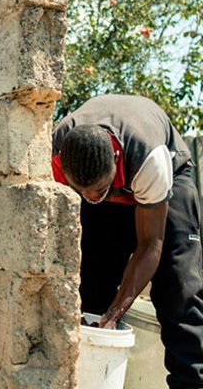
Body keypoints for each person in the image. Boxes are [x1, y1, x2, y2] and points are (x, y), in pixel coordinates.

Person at [52, 94, 203, 389]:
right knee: (90, 286)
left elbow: (151, 244)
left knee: (178, 288)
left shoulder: (149, 157)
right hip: (106, 177)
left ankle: (191, 383)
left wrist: (117, 311)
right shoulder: (58, 153)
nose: (91, 199)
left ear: (116, 159)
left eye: (99, 190)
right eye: (82, 191)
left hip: (169, 179)